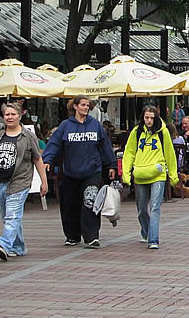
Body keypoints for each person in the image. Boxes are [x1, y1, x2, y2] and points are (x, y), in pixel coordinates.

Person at [0, 102, 48, 261]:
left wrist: (44, 181)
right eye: (7, 114)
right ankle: (18, 247)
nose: (10, 117)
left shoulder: (28, 136)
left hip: (20, 182)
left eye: (13, 114)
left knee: (12, 216)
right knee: (8, 217)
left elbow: (37, 159)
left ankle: (4, 244)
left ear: (20, 116)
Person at [42, 95, 117, 248]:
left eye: (87, 105)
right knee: (70, 204)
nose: (86, 107)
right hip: (70, 172)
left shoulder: (95, 125)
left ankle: (91, 237)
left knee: (90, 202)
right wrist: (47, 160)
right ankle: (72, 236)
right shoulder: (65, 126)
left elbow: (105, 147)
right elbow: (54, 144)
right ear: (75, 107)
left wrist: (111, 165)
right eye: (83, 104)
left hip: (92, 172)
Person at [122, 106, 178, 250]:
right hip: (140, 175)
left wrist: (173, 175)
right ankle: (146, 231)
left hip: (158, 175)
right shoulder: (136, 132)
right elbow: (129, 153)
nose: (149, 120)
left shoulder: (162, 132)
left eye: (152, 118)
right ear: (143, 118)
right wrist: (126, 173)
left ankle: (153, 239)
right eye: (146, 117)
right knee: (141, 209)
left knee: (155, 207)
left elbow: (170, 153)